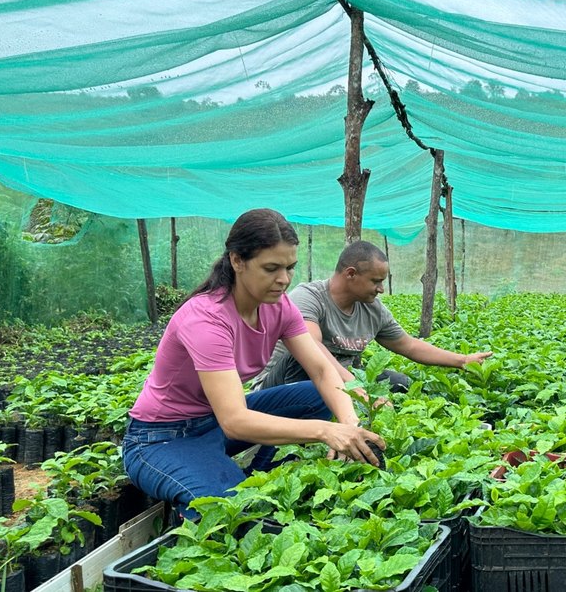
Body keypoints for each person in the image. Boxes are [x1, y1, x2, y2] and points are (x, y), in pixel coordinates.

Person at [122, 209, 384, 519]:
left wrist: (349, 423)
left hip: (213, 424)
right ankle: (212, 487)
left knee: (316, 395)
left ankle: (253, 473)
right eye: (271, 268)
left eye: (290, 267)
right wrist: (325, 431)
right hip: (162, 438)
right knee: (230, 511)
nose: (284, 279)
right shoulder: (207, 319)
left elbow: (322, 369)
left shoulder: (279, 306)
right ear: (237, 261)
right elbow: (234, 420)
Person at [252, 240, 491, 393]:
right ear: (351, 274)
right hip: (278, 388)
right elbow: (311, 347)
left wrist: (462, 360)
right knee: (305, 357)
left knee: (397, 382)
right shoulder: (309, 297)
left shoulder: (372, 308)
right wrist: (354, 387)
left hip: (338, 385)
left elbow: (408, 345)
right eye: (376, 281)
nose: (380, 289)